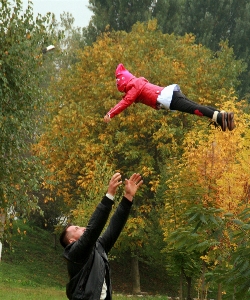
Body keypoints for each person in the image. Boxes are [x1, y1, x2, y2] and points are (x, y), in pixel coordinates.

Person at [59, 172, 143, 300]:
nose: (82, 227)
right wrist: (109, 196)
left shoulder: (98, 247)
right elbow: (92, 230)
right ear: (71, 240)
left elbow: (114, 227)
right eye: (76, 228)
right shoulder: (74, 253)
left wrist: (128, 197)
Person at [104, 63, 235, 132]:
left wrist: (110, 114)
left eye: (117, 80)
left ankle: (219, 117)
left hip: (168, 97)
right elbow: (130, 98)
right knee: (195, 106)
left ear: (123, 80)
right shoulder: (136, 85)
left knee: (194, 109)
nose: (117, 83)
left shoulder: (134, 85)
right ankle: (222, 115)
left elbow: (126, 101)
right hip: (170, 95)